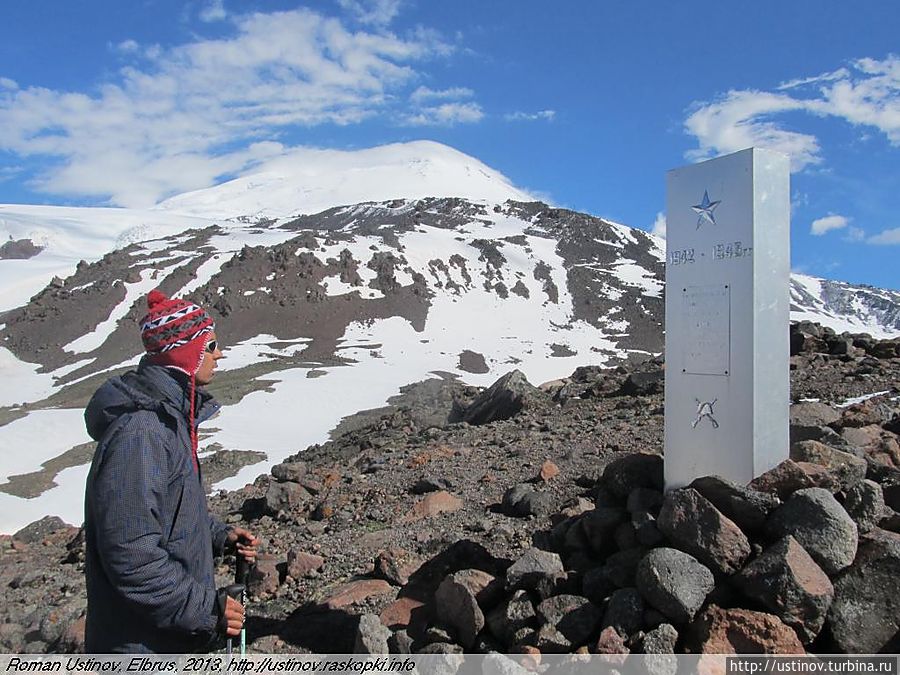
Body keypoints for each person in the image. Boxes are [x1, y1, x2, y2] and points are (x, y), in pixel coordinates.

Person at [83, 289, 259, 653]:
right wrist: (207, 610)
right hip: (142, 648)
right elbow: (131, 555)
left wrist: (219, 535)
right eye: (211, 345)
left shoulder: (169, 419)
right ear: (186, 353)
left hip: (164, 636)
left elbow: (168, 511)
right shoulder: (142, 433)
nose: (219, 354)